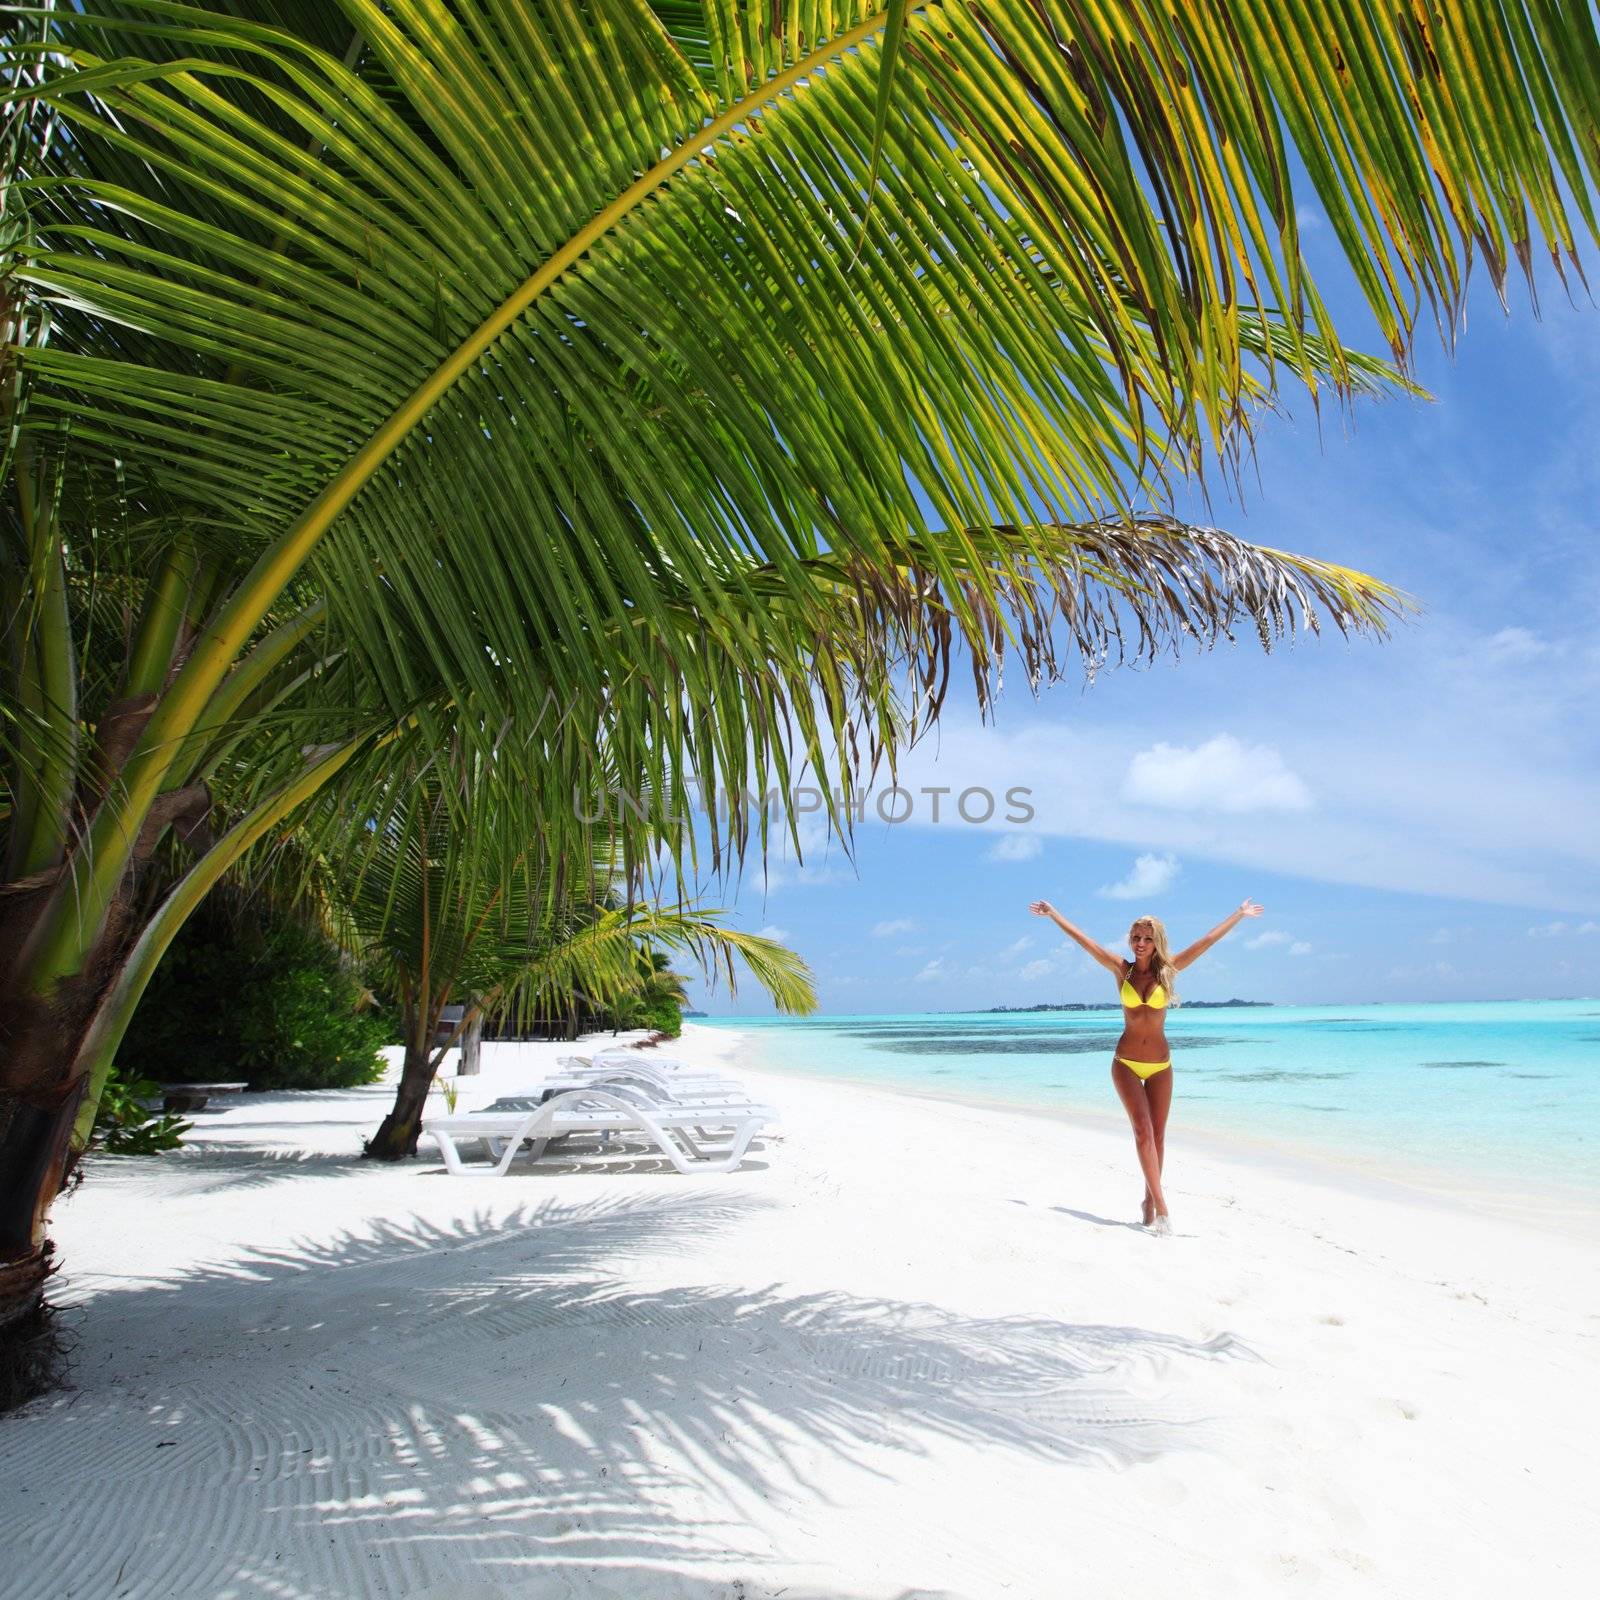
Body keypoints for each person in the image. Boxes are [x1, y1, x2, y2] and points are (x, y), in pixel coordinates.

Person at [1028, 897, 1264, 1234]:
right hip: (1125, 1063)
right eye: (1136, 937)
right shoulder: (1121, 970)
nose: (1140, 944)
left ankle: (1149, 1201)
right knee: (1142, 1132)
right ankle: (1164, 1210)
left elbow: (1207, 941)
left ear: (1157, 942)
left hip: (1160, 1067)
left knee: (1159, 1138)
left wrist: (1238, 915)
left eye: (1147, 938)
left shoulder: (1169, 970)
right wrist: (1054, 915)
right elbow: (1085, 941)